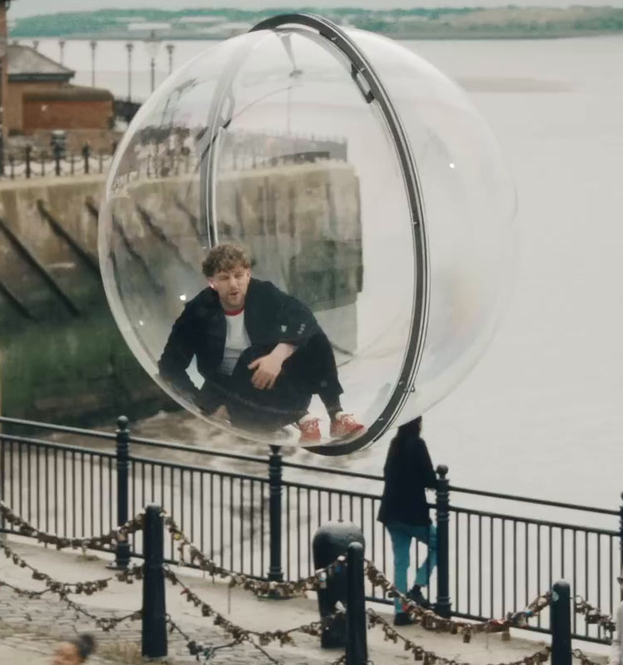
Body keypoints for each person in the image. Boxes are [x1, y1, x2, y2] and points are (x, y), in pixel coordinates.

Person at [158, 242, 364, 444]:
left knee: (314, 337)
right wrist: (205, 404)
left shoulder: (264, 293)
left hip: (276, 380)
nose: (233, 284)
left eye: (238, 275)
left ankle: (335, 415)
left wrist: (278, 355)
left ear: (248, 274)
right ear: (212, 282)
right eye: (224, 278)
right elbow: (169, 366)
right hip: (236, 396)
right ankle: (302, 417)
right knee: (252, 355)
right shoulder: (198, 312)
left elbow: (303, 318)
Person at [378, 417, 438, 624]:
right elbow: (430, 478)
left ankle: (400, 612)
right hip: (412, 514)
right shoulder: (418, 444)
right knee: (440, 544)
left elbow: (387, 472)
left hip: (391, 512)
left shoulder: (395, 444)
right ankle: (417, 588)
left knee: (400, 562)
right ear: (418, 424)